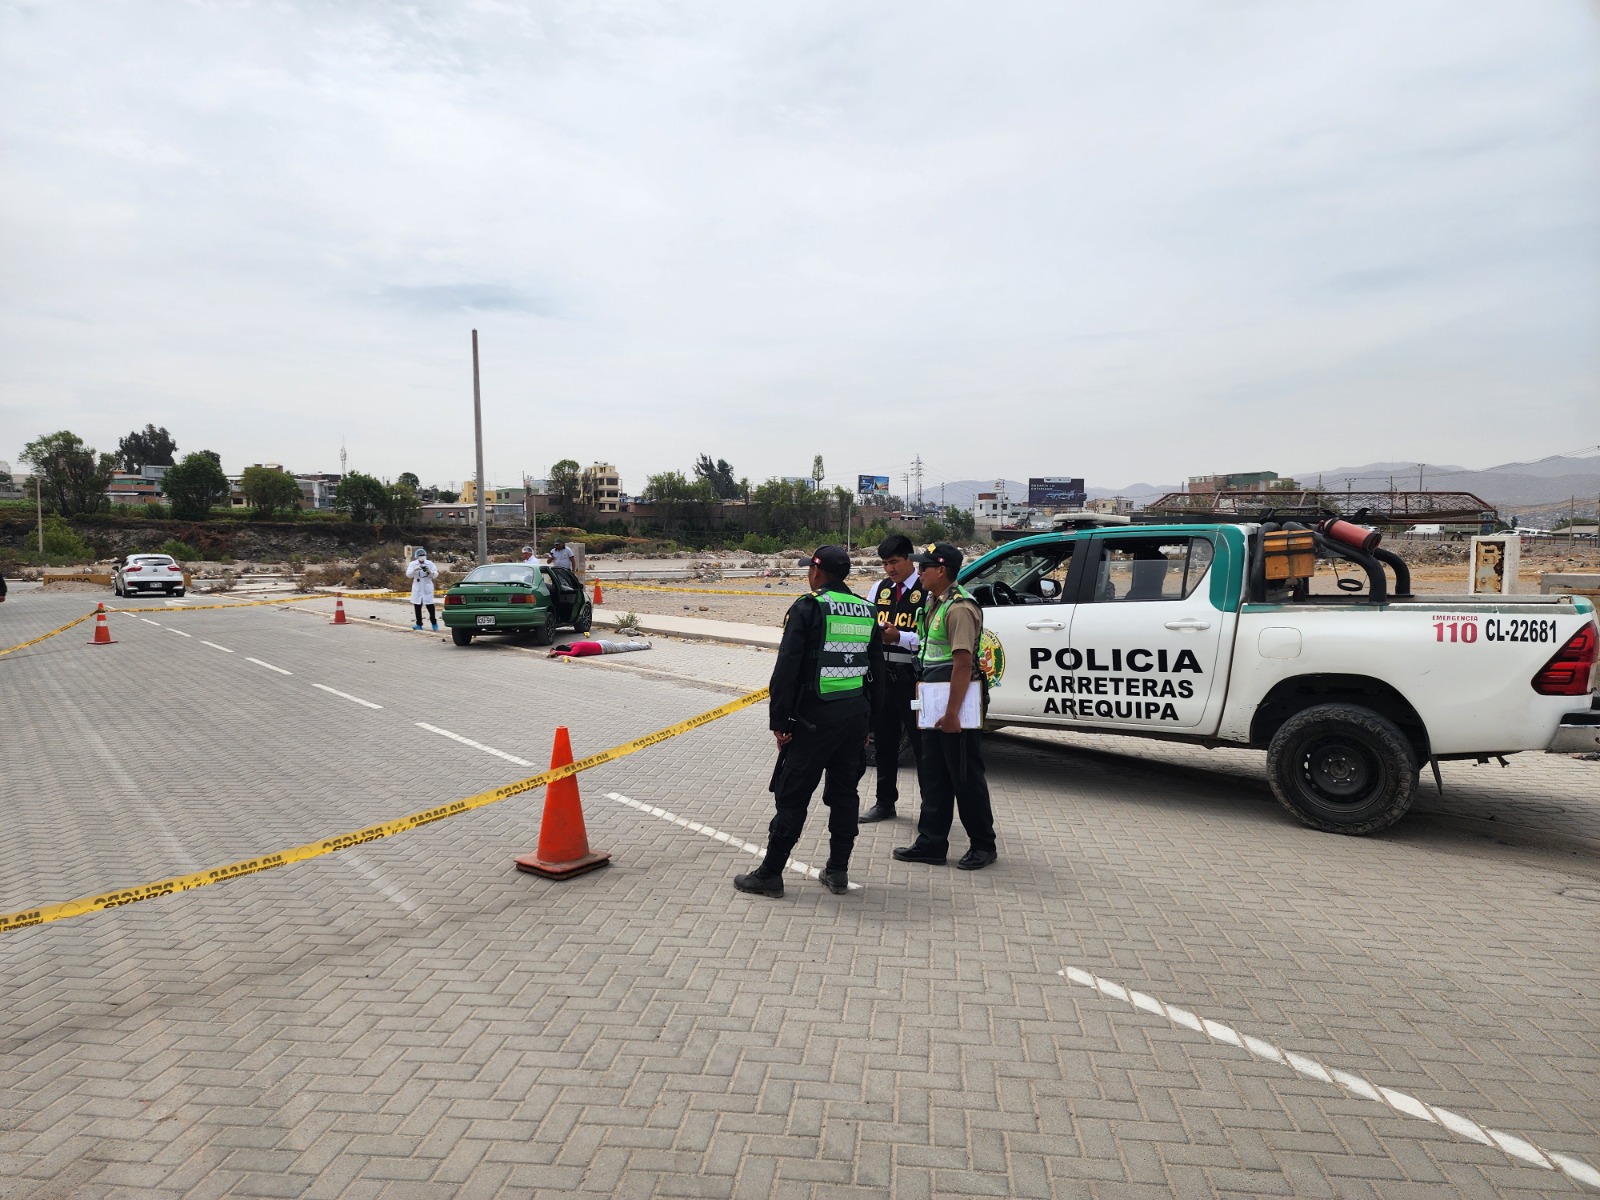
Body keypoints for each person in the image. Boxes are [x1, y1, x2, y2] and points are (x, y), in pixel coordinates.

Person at [735, 545, 882, 898]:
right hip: (854, 717)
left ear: (817, 572)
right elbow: (876, 671)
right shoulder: (867, 610)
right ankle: (838, 871)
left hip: (813, 720)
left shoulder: (808, 606)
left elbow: (786, 669)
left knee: (792, 796)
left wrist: (780, 722)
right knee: (845, 796)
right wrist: (870, 727)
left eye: (809, 569)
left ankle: (770, 873)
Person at [893, 542, 998, 871]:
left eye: (924, 567)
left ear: (942, 571)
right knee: (934, 775)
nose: (919, 572)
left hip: (956, 703)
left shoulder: (959, 608)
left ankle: (983, 845)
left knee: (965, 777)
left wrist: (952, 713)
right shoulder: (934, 603)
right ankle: (931, 842)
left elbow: (963, 664)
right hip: (934, 700)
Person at [860, 534, 926, 823]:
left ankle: (931, 808)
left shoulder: (926, 590)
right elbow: (866, 622)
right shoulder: (880, 589)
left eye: (895, 562)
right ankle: (885, 802)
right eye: (885, 563)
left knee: (922, 745)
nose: (889, 569)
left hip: (912, 678)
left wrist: (900, 637)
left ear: (910, 559)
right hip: (883, 678)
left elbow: (930, 638)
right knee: (884, 745)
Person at [407, 547, 439, 631]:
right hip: (417, 587)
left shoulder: (430, 564)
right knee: (417, 606)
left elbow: (435, 574)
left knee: (430, 606)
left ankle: (434, 623)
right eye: (420, 555)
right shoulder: (413, 564)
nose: (422, 557)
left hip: (427, 587)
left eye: (423, 555)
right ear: (417, 556)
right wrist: (415, 570)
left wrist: (429, 571)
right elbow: (408, 575)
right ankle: (419, 624)